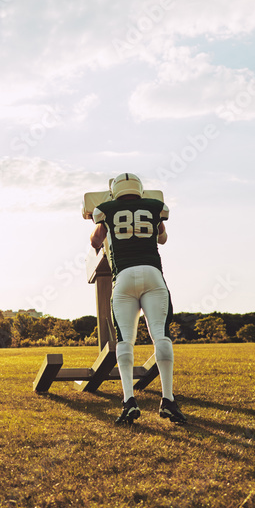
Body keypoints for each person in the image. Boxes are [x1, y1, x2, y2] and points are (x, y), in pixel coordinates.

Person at [89, 173, 187, 425]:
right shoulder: (155, 207)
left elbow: (96, 240)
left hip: (123, 277)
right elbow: (162, 237)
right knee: (160, 335)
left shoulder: (106, 209)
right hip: (153, 274)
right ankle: (167, 399)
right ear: (140, 189)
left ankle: (129, 400)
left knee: (125, 340)